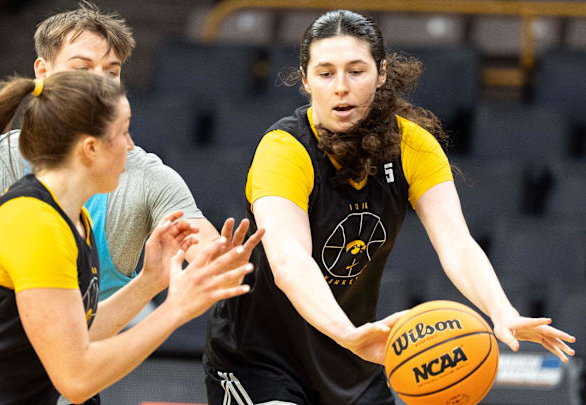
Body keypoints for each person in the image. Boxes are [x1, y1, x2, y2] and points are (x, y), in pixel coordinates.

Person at [204, 10, 576, 405]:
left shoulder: (412, 146)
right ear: (306, 78)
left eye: (356, 71)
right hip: (261, 358)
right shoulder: (283, 150)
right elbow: (290, 261)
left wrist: (502, 312)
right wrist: (344, 332)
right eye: (326, 73)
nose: (341, 87)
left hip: (354, 357)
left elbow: (457, 244)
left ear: (381, 73)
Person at [0, 71, 261, 404]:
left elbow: (75, 337)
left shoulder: (76, 219)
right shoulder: (34, 222)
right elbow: (76, 379)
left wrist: (149, 283)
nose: (131, 146)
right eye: (123, 133)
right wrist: (174, 310)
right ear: (90, 149)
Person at [0, 1, 228, 368]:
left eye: (110, 72)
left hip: (68, 376)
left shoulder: (147, 177)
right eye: (81, 67)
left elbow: (210, 256)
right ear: (43, 72)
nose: (98, 82)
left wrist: (221, 266)